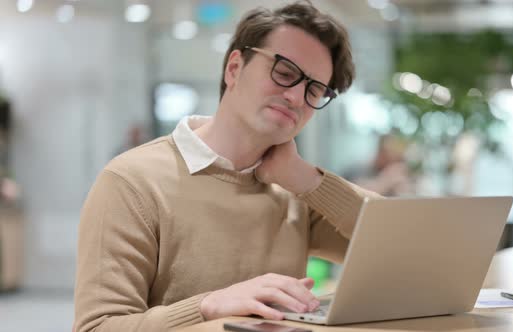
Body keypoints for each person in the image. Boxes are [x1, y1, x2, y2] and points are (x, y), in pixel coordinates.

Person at [74, 2, 381, 331]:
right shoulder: (132, 182)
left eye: (314, 90)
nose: (296, 96)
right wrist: (208, 306)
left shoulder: (295, 191)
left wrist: (306, 179)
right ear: (234, 68)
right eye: (285, 72)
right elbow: (99, 327)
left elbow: (412, 248)